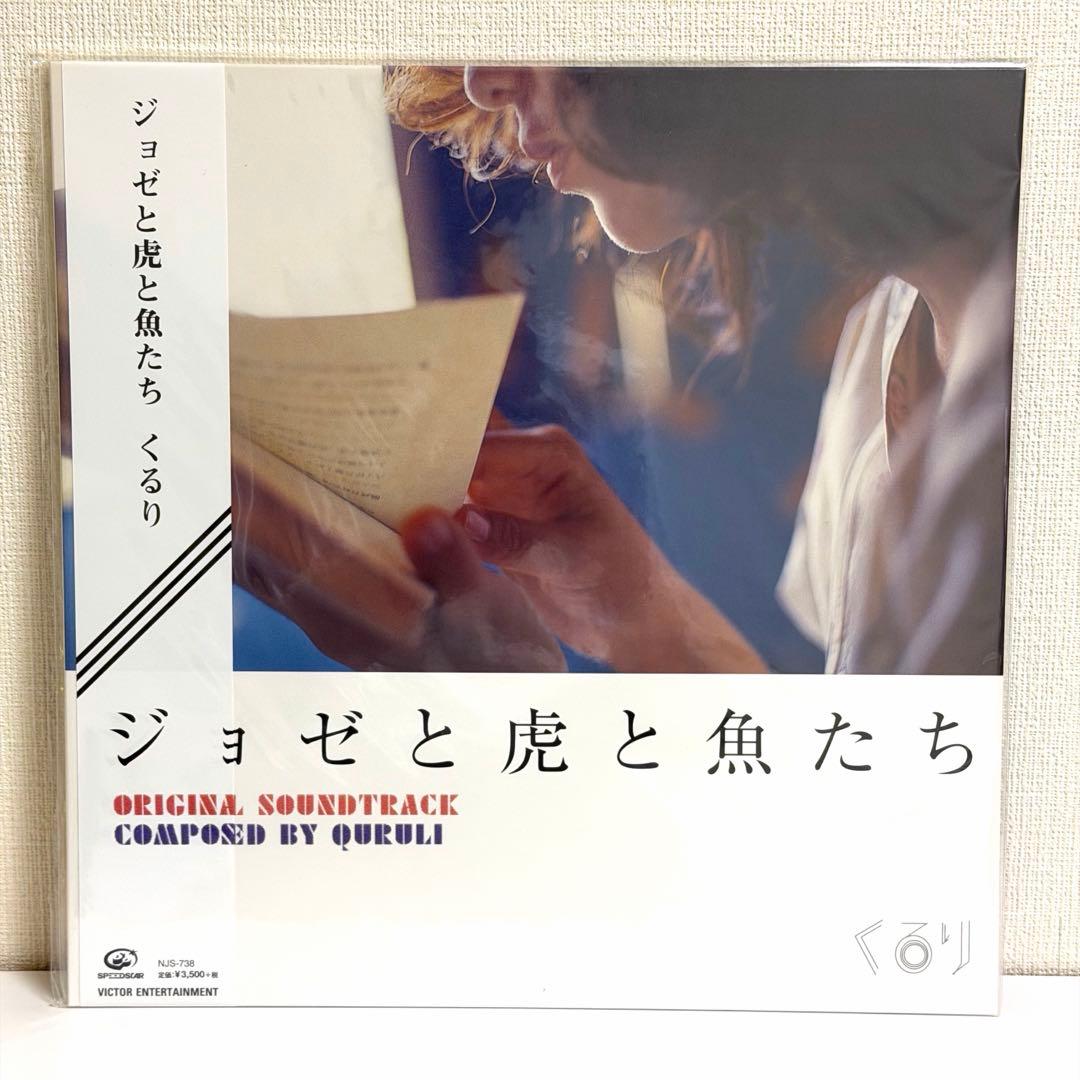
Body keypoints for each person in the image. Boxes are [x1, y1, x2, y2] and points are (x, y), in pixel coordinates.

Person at [245, 66, 1023, 674]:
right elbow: (846, 769)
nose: (481, 82)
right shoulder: (884, 336)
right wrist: (643, 616)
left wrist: (513, 698)